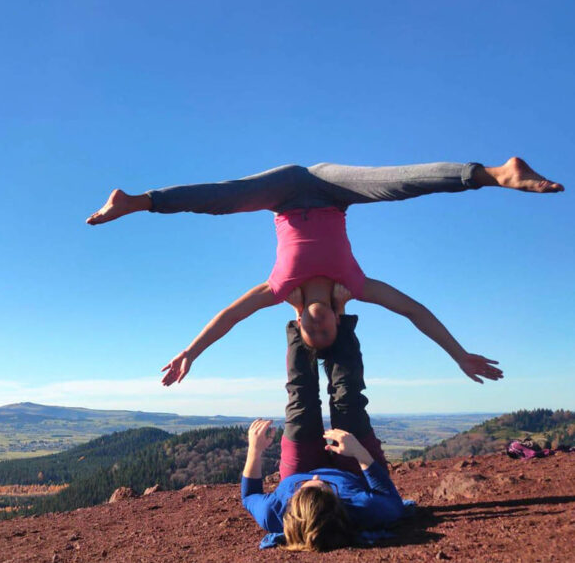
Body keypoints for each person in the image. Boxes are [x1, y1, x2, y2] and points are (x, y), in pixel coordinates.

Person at [85, 158, 562, 382]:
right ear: (337, 318)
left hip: (286, 191)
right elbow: (415, 312)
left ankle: (138, 202)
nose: (316, 324)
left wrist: (191, 351)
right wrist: (458, 354)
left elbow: (229, 317)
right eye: (326, 328)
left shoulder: (279, 289)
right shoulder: (354, 286)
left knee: (223, 199)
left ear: (298, 323)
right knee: (397, 184)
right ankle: (496, 174)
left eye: (308, 330)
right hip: (333, 190)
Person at [240, 315, 409, 551]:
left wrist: (254, 451)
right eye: (325, 487)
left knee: (302, 402)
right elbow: (392, 501)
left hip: (298, 470)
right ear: (339, 503)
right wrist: (359, 453)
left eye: (308, 486)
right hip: (353, 470)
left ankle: (302, 324)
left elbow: (249, 498)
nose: (318, 478)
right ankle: (338, 321)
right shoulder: (361, 509)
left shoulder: (274, 513)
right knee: (347, 400)